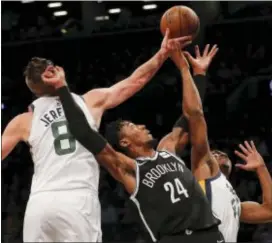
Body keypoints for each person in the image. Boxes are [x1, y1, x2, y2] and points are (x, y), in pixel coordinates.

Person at [1, 29, 191, 242]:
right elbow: (134, 82)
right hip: (77, 199)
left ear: (34, 90)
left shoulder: (22, 121)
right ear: (56, 72)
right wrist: (163, 53)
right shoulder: (89, 101)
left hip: (40, 203)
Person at [41, 50, 224, 243]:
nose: (142, 126)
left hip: (210, 233)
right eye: (132, 126)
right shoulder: (129, 169)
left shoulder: (168, 148)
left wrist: (198, 74)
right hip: (175, 238)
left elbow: (193, 114)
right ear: (124, 142)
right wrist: (62, 88)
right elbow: (84, 133)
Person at [157, 45, 272, 242]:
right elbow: (195, 116)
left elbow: (269, 211)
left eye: (219, 153)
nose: (218, 153)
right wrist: (198, 75)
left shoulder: (235, 203)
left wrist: (261, 168)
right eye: (214, 153)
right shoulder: (204, 168)